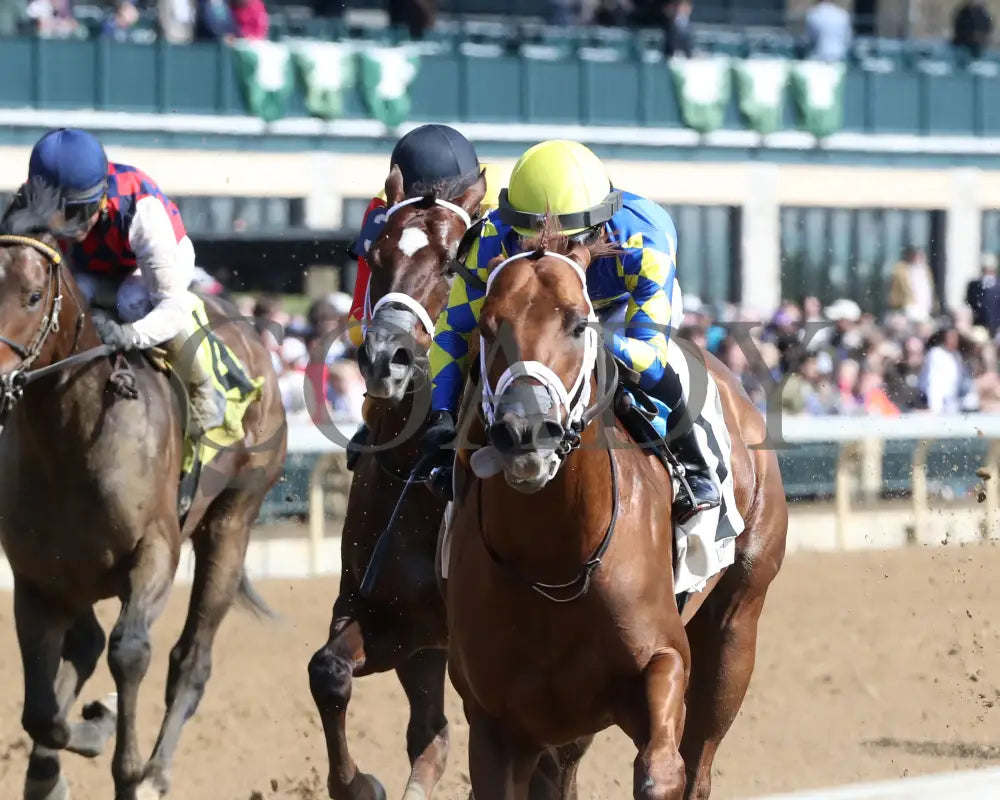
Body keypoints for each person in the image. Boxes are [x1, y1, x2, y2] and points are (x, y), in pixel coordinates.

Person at [422, 139, 721, 523]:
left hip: (615, 309)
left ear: (598, 225)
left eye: (570, 240)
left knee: (642, 380)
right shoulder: (492, 239)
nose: (553, 249)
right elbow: (452, 331)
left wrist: (590, 333)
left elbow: (649, 357)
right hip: (537, 309)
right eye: (533, 240)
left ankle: (692, 464)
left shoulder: (642, 239)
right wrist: (441, 418)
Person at [23, 127, 226, 434]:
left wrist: (129, 336)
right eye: (53, 212)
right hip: (93, 266)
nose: (66, 224)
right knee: (73, 297)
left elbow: (171, 307)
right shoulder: (30, 198)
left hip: (153, 262)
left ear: (100, 197)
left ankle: (204, 389)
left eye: (77, 211)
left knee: (131, 301)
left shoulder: (143, 212)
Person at [341, 124, 505, 468]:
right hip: (411, 316)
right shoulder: (380, 212)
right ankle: (372, 418)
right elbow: (362, 309)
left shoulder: (496, 211)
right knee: (368, 337)